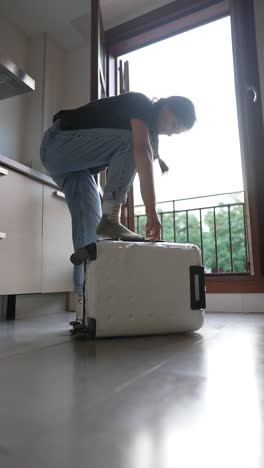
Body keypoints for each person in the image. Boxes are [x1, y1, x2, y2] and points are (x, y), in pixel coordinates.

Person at [40, 92, 196, 320]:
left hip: (77, 170)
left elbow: (144, 168)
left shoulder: (150, 135)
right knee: (130, 142)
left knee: (92, 238)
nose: (170, 132)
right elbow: (139, 150)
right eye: (173, 124)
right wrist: (151, 215)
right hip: (57, 144)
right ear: (167, 106)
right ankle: (111, 216)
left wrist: (153, 214)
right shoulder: (141, 103)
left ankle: (85, 308)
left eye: (175, 132)